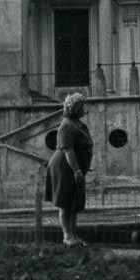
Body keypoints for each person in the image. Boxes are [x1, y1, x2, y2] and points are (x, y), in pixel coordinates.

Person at [44, 92, 93, 246]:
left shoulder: (77, 123)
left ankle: (74, 235)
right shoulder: (67, 125)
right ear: (76, 108)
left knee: (74, 203)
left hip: (72, 167)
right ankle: (67, 236)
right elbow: (68, 150)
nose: (84, 108)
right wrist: (77, 170)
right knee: (66, 203)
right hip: (65, 167)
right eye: (82, 105)